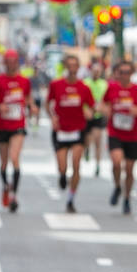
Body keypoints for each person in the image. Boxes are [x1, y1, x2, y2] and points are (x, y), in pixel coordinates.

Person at [99, 59, 137, 215]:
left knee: (129, 170)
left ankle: (127, 198)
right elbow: (101, 104)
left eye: (127, 72)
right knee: (116, 163)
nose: (124, 75)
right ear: (117, 73)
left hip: (132, 135)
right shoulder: (112, 88)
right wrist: (105, 110)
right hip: (115, 132)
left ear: (132, 74)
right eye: (121, 72)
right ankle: (117, 186)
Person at [0, 49, 32, 212]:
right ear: (5, 63)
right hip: (2, 126)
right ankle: (6, 186)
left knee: (14, 158)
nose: (11, 65)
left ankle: (13, 196)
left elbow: (28, 98)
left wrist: (33, 106)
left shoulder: (24, 81)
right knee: (4, 162)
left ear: (17, 63)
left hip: (18, 125)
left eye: (14, 62)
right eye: (8, 62)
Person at [45, 54, 95, 212]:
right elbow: (48, 103)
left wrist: (90, 113)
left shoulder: (84, 87)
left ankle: (71, 198)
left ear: (78, 67)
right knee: (62, 166)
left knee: (76, 164)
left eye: (75, 65)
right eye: (70, 65)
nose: (72, 68)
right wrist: (52, 117)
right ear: (66, 67)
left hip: (78, 129)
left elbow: (92, 107)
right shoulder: (56, 85)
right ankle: (61, 175)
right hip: (61, 130)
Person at [81, 59, 109, 175]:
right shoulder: (85, 83)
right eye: (94, 71)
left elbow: (107, 100)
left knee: (98, 139)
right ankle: (87, 149)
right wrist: (85, 110)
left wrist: (103, 109)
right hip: (87, 115)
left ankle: (97, 165)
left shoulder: (104, 84)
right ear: (91, 71)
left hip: (98, 115)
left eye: (98, 71)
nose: (96, 73)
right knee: (88, 140)